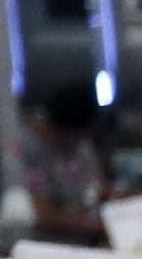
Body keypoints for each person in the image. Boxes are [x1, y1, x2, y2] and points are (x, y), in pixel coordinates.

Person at [15, 88, 108, 244]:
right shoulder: (28, 153)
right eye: (77, 137)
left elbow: (97, 189)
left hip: (83, 243)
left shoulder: (82, 148)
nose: (77, 144)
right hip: (42, 246)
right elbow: (43, 217)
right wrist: (101, 227)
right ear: (62, 130)